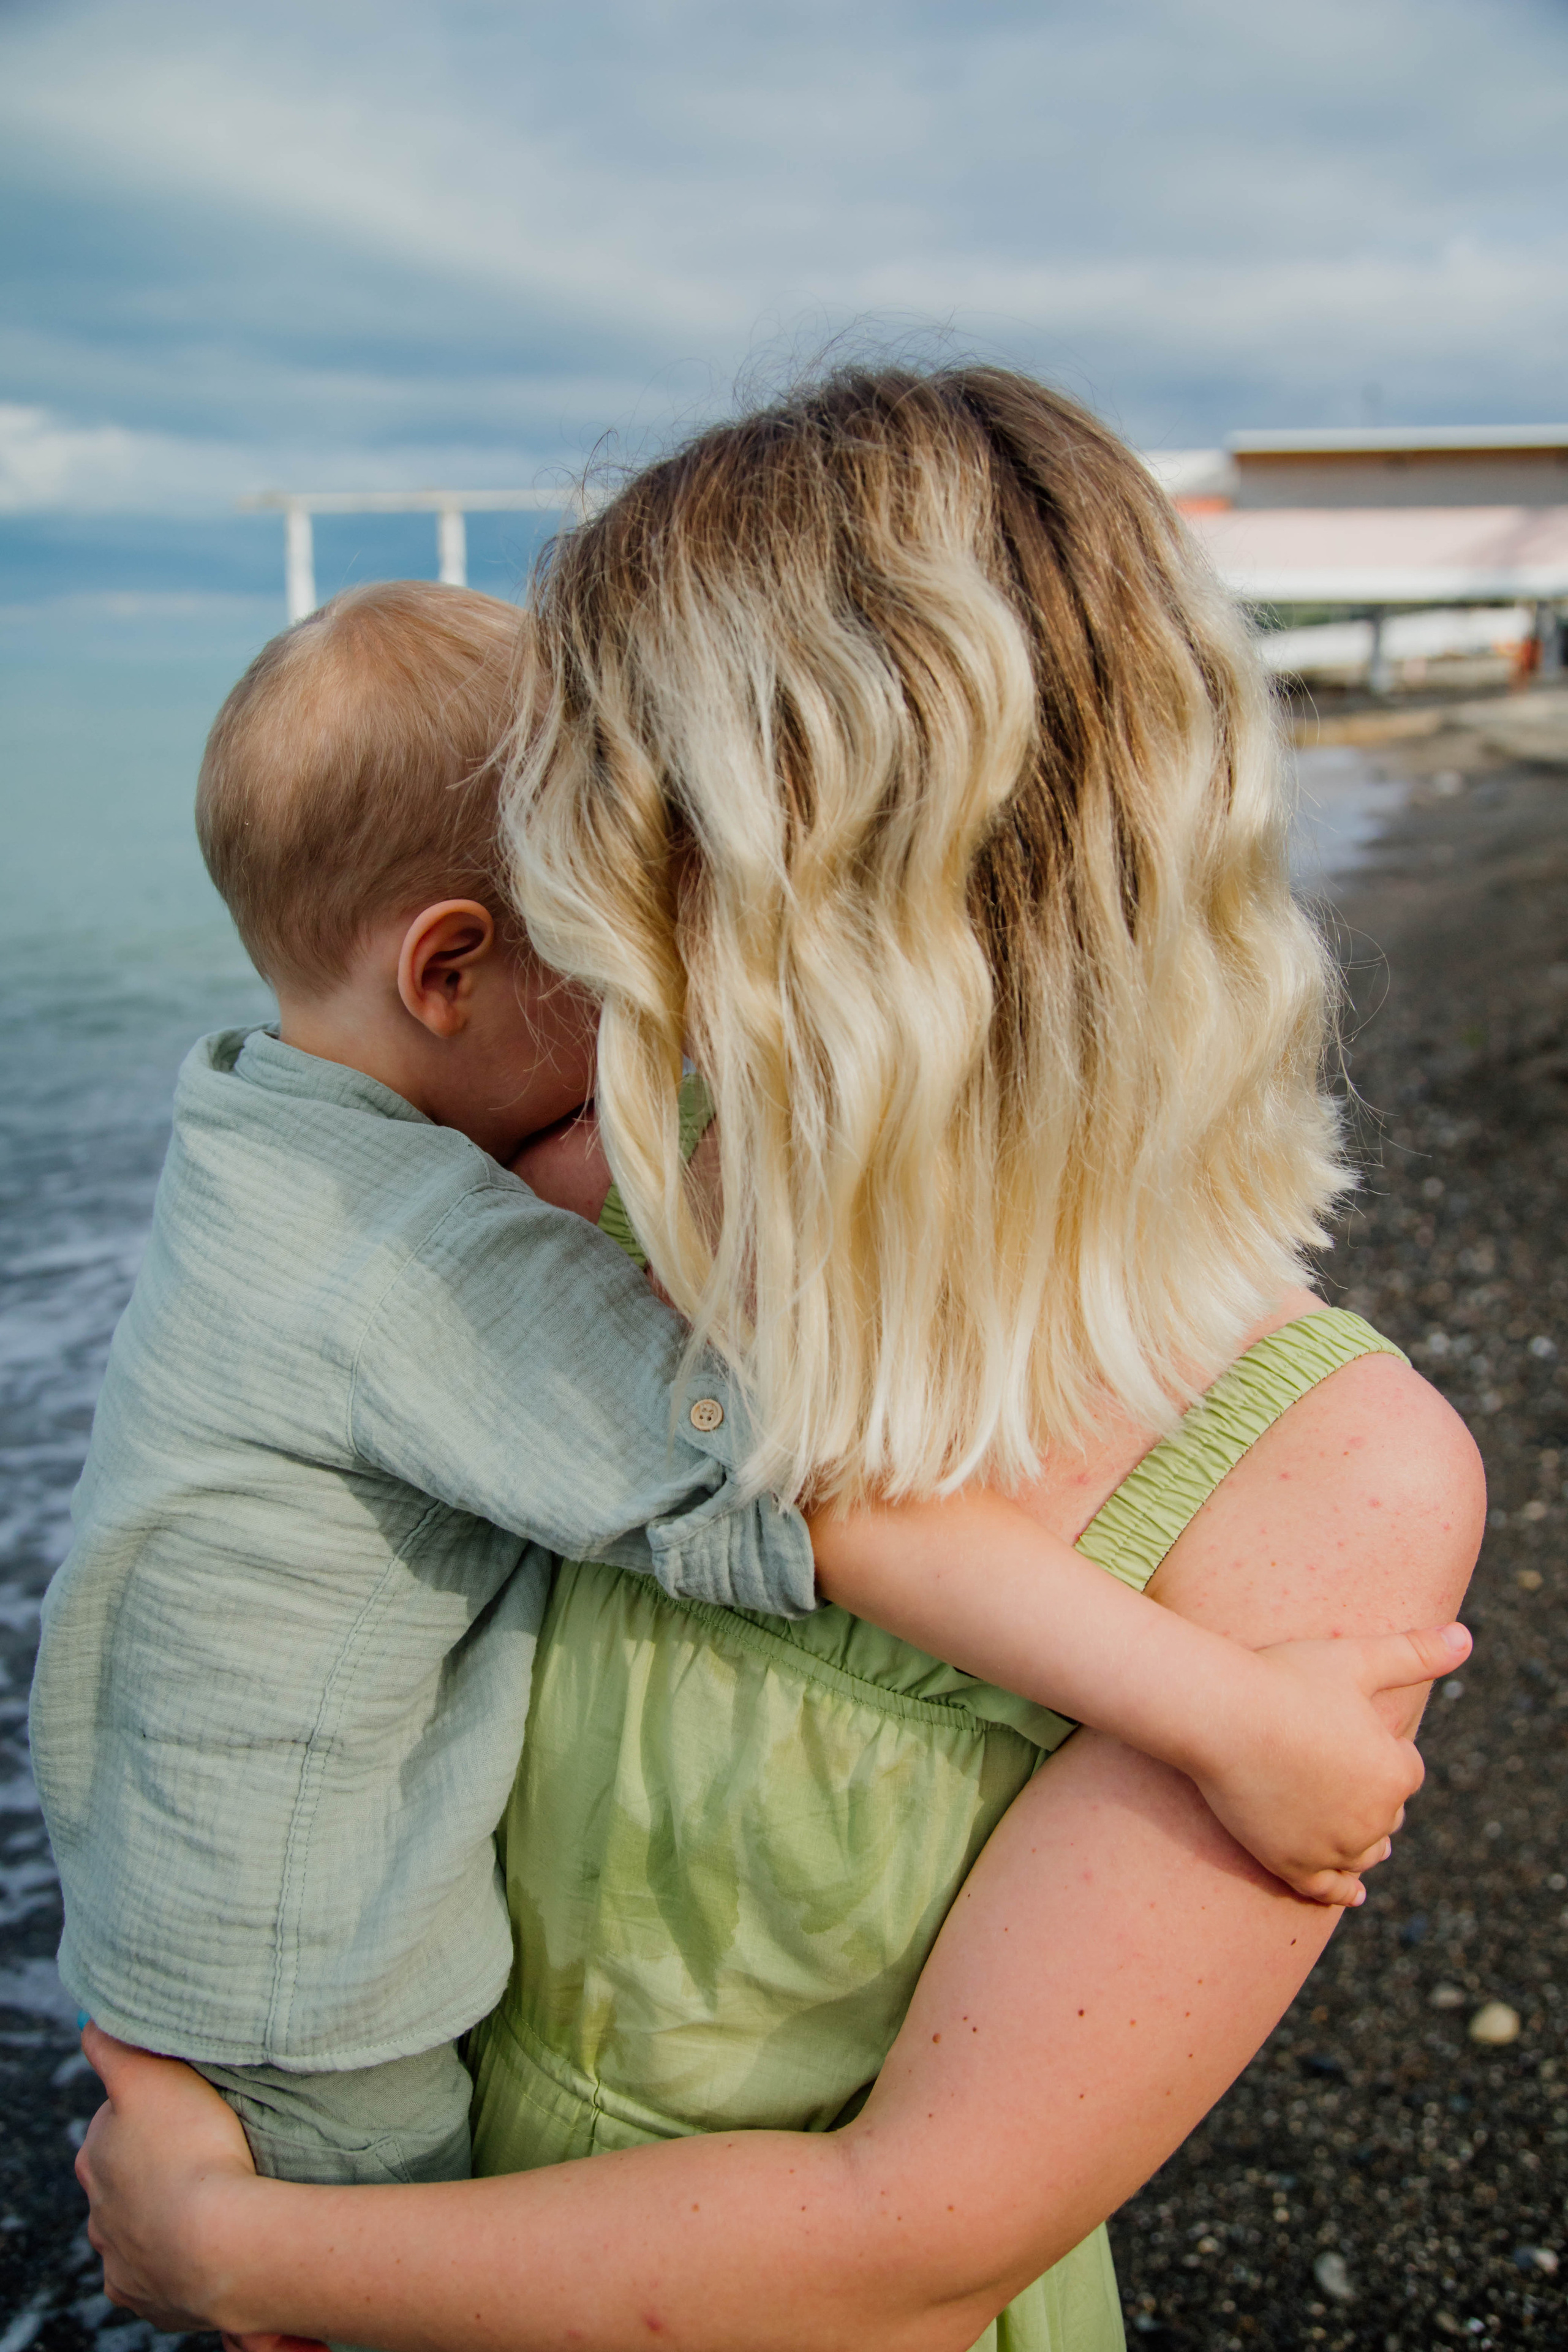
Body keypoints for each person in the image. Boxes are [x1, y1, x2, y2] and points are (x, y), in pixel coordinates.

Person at [74, 368, 1483, 2351]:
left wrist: (232, 2255)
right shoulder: (587, 1190)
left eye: (617, 842)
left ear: (852, 906)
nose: (583, 906)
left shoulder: (1329, 1478)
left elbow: (910, 2250)